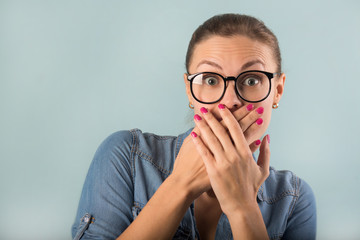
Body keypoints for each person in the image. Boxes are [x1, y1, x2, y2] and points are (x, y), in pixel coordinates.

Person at [71, 13, 316, 240]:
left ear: (278, 91)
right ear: (190, 91)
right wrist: (181, 184)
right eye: (210, 80)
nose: (230, 101)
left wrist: (243, 207)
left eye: (252, 80)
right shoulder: (126, 156)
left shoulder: (293, 200)